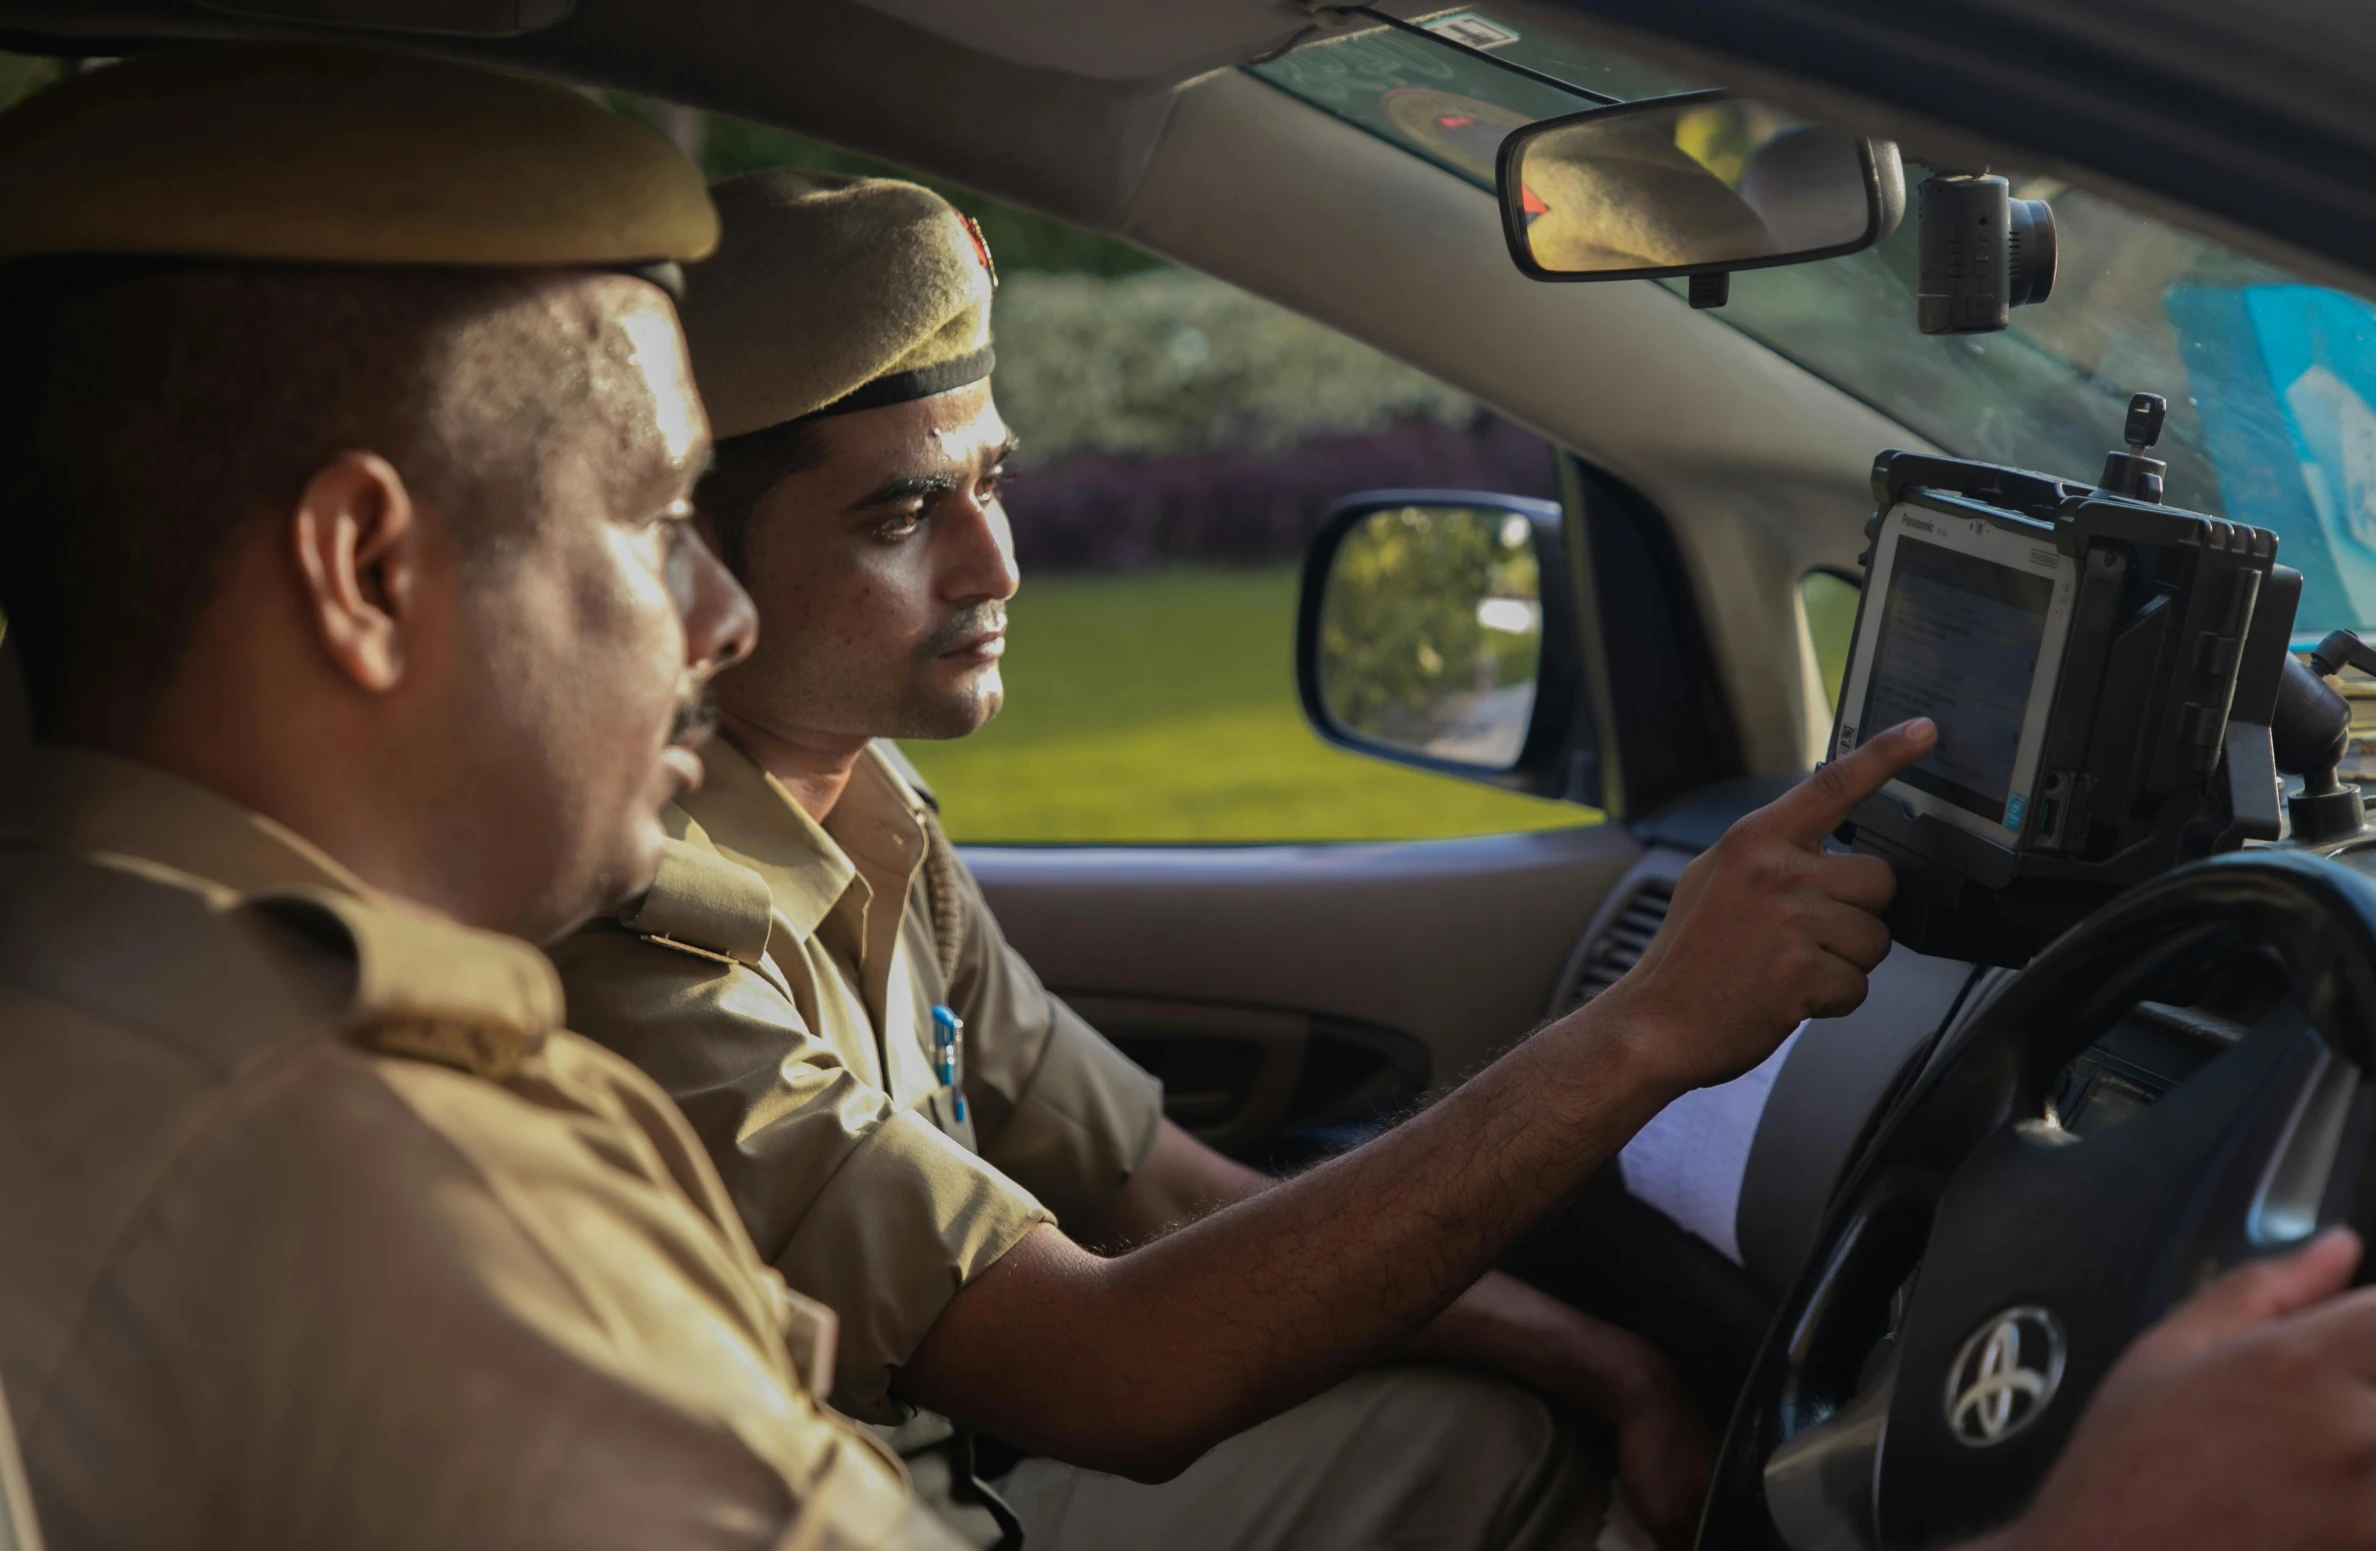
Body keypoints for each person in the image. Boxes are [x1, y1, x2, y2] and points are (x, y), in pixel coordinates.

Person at [0, 46, 967, 1550]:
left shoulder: (72, 973)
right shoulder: (418, 1187)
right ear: (367, 571)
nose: (723, 619)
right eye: (655, 523)